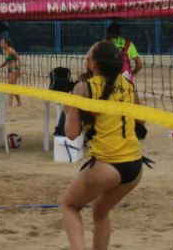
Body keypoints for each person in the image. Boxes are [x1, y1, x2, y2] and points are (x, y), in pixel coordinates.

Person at [61, 40, 150, 250]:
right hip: (135, 167)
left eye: (89, 52)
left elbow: (71, 133)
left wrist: (72, 107)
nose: (86, 54)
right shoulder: (127, 83)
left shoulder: (84, 87)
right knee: (100, 212)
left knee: (70, 206)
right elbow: (142, 119)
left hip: (107, 165)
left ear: (93, 64)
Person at [0, 38, 23, 107]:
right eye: (1, 43)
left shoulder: (10, 50)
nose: (1, 44)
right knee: (13, 86)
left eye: (2, 43)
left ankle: (10, 104)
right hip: (9, 70)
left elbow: (19, 59)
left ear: (6, 44)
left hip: (14, 69)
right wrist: (0, 66)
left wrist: (20, 70)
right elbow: (7, 61)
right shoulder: (4, 50)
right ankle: (19, 103)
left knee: (11, 87)